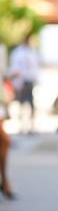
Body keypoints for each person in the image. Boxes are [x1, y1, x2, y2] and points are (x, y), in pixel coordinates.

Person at [8, 34, 40, 134]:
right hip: (22, 81)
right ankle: (23, 126)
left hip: (29, 81)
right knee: (22, 104)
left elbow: (35, 67)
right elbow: (16, 68)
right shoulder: (19, 52)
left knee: (30, 104)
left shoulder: (31, 52)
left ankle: (30, 126)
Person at [0, 43, 15, 199]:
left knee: (4, 142)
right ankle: (5, 182)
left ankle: (4, 181)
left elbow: (3, 75)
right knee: (4, 140)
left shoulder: (2, 49)